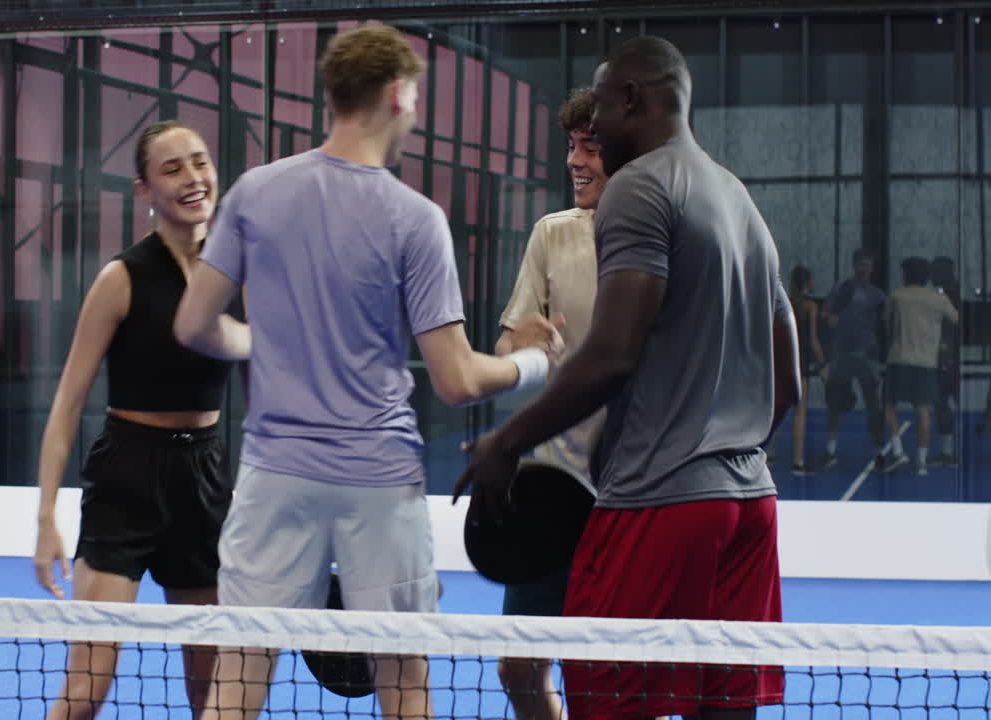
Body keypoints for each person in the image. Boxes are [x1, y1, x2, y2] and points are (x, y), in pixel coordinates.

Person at [173, 24, 561, 720]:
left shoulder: (254, 193)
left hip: (275, 477)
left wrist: (265, 341)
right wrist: (535, 363)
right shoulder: (416, 220)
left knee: (240, 673)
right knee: (403, 676)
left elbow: (194, 326)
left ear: (331, 96)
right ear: (399, 95)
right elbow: (456, 380)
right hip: (379, 483)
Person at [455, 35, 798, 720]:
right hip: (750, 502)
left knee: (606, 700)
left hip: (659, 500)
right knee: (723, 707)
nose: (593, 134)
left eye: (602, 110)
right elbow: (788, 378)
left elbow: (613, 354)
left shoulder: (639, 186)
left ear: (631, 99)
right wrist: (724, 449)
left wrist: (506, 442)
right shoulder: (735, 197)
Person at [32, 121, 241, 720]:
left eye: (199, 162)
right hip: (126, 479)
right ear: (144, 189)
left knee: (212, 691)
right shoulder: (120, 279)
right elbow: (67, 404)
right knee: (86, 691)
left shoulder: (237, 275)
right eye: (172, 169)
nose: (193, 178)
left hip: (204, 478)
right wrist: (46, 518)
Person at [491, 86, 609, 720]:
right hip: (551, 492)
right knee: (518, 667)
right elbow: (510, 347)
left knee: (612, 673)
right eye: (571, 146)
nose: (574, 161)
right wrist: (523, 345)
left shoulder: (669, 238)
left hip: (629, 499)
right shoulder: (551, 234)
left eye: (590, 147)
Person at [881, 257, 959, 476]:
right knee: (923, 410)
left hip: (898, 359)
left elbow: (886, 322)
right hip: (926, 362)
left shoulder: (897, 295)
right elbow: (955, 319)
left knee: (888, 406)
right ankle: (922, 462)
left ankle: (898, 452)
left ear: (907, 274)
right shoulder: (938, 299)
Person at [820, 248, 888, 471]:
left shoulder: (878, 296)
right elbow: (825, 315)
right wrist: (829, 319)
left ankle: (879, 452)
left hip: (867, 357)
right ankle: (830, 451)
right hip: (842, 355)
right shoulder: (840, 289)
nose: (865, 268)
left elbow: (885, 327)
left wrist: (880, 355)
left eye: (868, 264)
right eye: (861, 263)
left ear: (873, 267)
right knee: (834, 405)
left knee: (873, 406)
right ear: (854, 264)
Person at [789, 265, 827, 476]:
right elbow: (813, 341)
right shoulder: (810, 306)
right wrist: (822, 364)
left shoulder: (785, 302)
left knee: (774, 411)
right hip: (799, 362)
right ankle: (797, 461)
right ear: (808, 283)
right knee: (800, 412)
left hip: (780, 360)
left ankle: (769, 456)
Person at [929, 256, 960, 464]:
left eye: (936, 271)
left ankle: (948, 453)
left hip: (947, 358)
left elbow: (949, 328)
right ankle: (947, 451)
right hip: (948, 357)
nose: (932, 276)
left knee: (941, 402)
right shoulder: (945, 293)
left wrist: (946, 356)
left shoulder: (948, 296)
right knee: (944, 402)